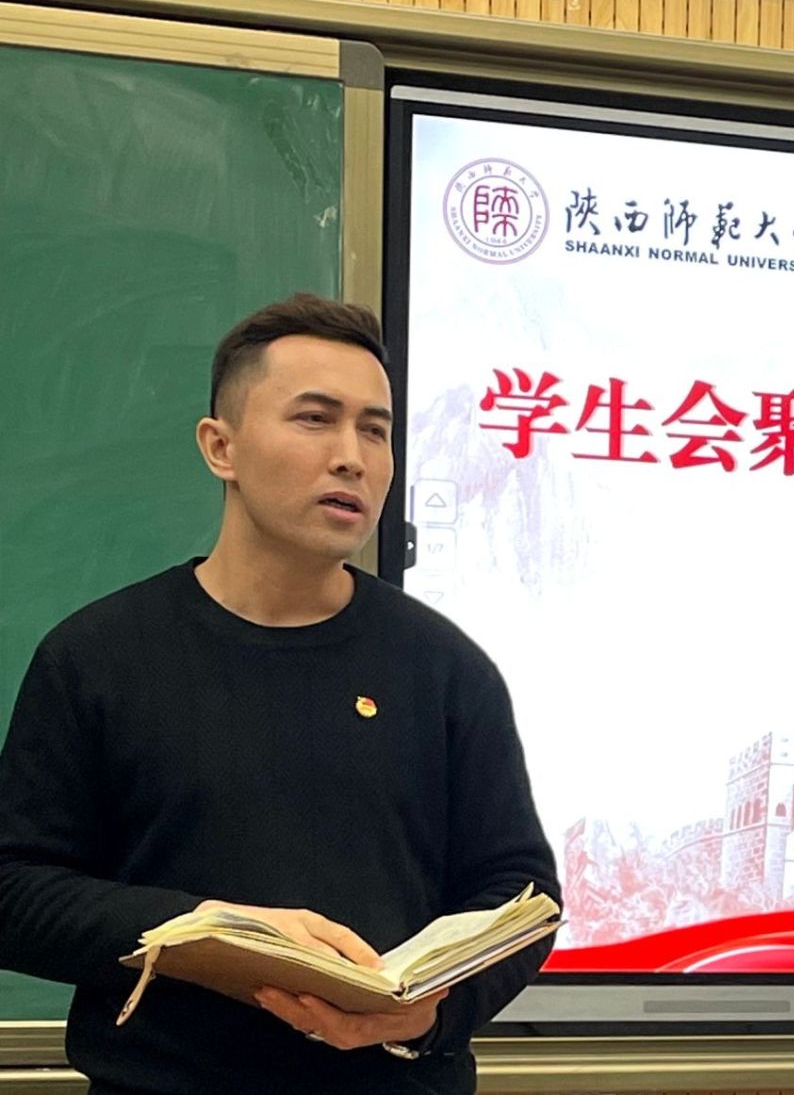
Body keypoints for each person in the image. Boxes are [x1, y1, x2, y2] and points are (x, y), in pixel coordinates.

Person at [0, 293, 559, 1094]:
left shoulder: (445, 668)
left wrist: (427, 1016)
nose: (352, 457)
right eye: (315, 419)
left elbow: (520, 894)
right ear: (220, 447)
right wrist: (200, 932)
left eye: (375, 430)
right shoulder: (97, 657)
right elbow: (15, 890)